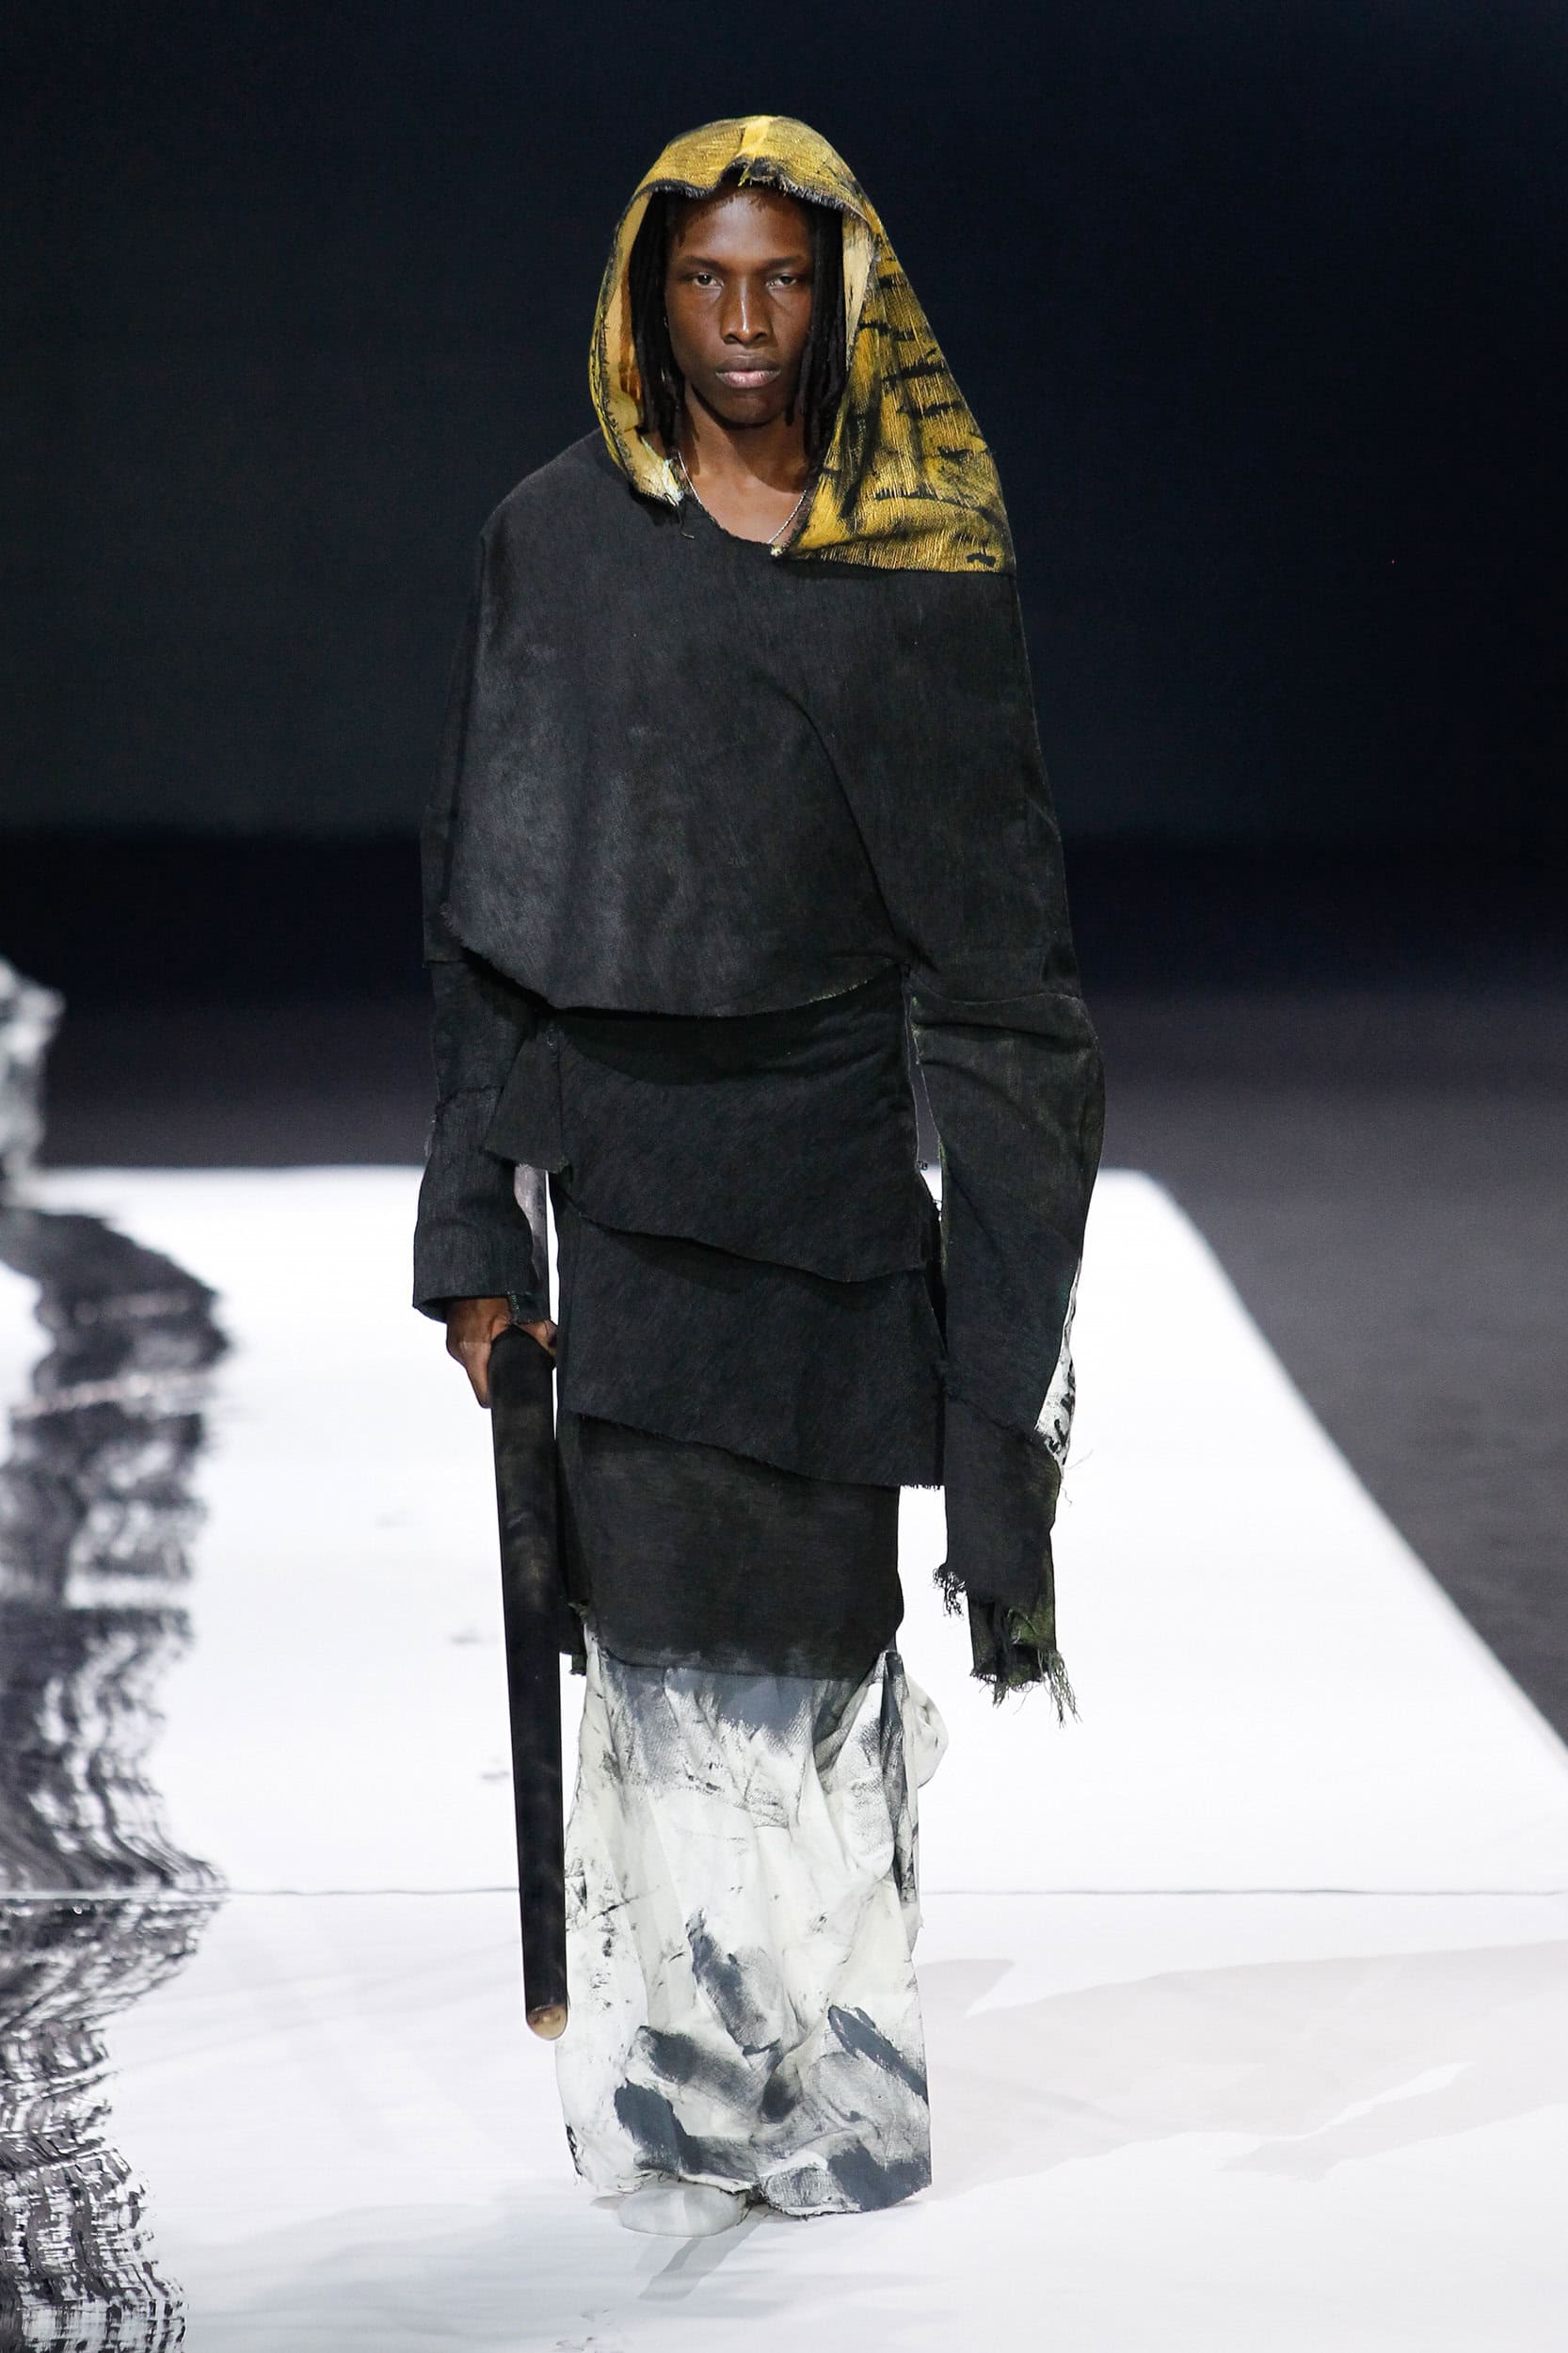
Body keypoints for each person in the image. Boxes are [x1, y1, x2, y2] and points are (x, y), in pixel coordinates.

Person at [412, 115, 1103, 2234]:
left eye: (778, 279)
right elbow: (486, 904)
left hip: (821, 1179)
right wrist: (472, 1221)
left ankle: (835, 2070)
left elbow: (1003, 963)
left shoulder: (919, 561)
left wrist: (1002, 1332)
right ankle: (690, 2070)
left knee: (812, 1632)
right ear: (647, 296)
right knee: (644, 1642)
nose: (739, 319)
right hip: (619, 1183)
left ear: (838, 297)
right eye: (703, 278)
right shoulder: (555, 538)